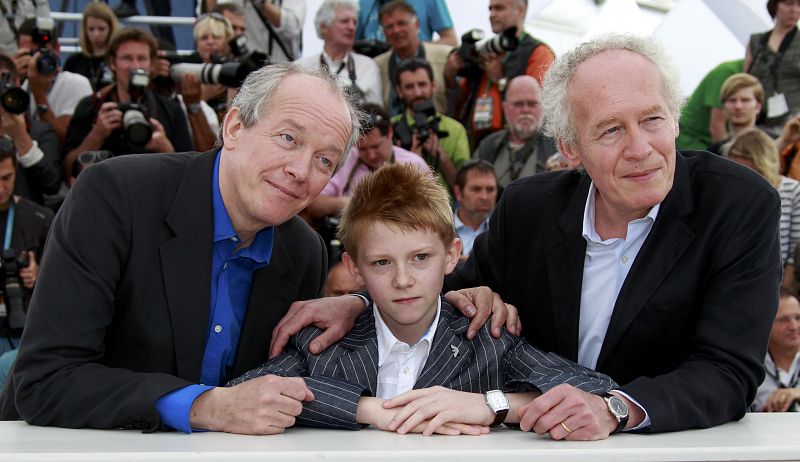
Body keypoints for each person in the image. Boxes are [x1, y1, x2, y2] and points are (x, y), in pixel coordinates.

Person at [275, 33, 784, 436]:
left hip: (672, 449)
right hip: (531, 447)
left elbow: (727, 371)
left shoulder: (737, 205)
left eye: (652, 120)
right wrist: (362, 305)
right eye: (610, 130)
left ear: (674, 121)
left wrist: (615, 408)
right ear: (571, 147)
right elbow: (442, 287)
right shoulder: (529, 208)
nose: (640, 149)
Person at [0, 62, 364, 434]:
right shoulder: (115, 196)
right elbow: (46, 380)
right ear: (235, 127)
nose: (301, 170)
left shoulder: (305, 252)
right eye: (289, 138)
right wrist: (206, 406)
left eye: (324, 160)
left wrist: (360, 304)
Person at [229, 162, 618, 438]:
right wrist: (367, 409)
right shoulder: (322, 345)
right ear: (355, 268)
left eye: (420, 258)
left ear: (451, 255)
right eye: (382, 263)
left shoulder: (487, 339)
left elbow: (596, 387)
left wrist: (491, 405)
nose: (403, 280)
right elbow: (240, 394)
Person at [62, 28, 192, 180]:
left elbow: (189, 175)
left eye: (142, 58)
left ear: (151, 65)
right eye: (127, 58)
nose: (135, 66)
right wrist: (97, 135)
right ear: (112, 63)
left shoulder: (171, 110)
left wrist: (166, 149)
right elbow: (67, 171)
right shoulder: (91, 106)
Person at [444, 0, 555, 146]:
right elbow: (460, 104)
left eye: (499, 8)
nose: (492, 14)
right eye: (490, 9)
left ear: (520, 11)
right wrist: (449, 77)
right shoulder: (483, 51)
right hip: (477, 144)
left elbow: (541, 105)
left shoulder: (539, 52)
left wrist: (500, 80)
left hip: (517, 145)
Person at [304, 102, 428, 222]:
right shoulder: (346, 160)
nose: (370, 155)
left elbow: (431, 213)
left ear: (390, 132)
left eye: (376, 146)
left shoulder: (414, 164)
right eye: (362, 149)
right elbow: (313, 204)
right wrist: (344, 203)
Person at [0, 141, 54, 392]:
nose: (0, 188)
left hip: (24, 326)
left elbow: (62, 278)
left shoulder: (39, 217)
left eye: (6, 178)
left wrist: (39, 274)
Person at [725, 128, 800, 288]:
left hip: (781, 285)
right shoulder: (726, 195)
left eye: (751, 172)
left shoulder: (793, 191)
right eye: (735, 170)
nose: (743, 179)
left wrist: (783, 294)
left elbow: (795, 254)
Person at [391, 58, 469, 189]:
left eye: (422, 85)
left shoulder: (455, 130)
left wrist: (442, 157)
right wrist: (409, 160)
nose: (417, 92)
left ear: (433, 85)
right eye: (409, 87)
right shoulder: (389, 129)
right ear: (399, 91)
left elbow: (465, 188)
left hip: (445, 207)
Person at [14, 18, 93, 146]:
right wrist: (12, 79)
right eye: (30, 54)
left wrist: (38, 92)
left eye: (41, 54)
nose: (35, 60)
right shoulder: (17, 86)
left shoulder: (76, 84)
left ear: (57, 49)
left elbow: (63, 142)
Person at [472, 75, 557, 193]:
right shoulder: (488, 146)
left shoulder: (558, 147)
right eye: (518, 104)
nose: (526, 110)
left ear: (542, 107)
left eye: (532, 104)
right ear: (505, 108)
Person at [0, 54, 62, 206]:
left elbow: (51, 184)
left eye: (3, 81)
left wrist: (21, 138)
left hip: (25, 222)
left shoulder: (40, 131)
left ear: (17, 83)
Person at [373, 0, 452, 115]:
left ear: (417, 24)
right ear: (383, 32)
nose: (396, 30)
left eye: (401, 23)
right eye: (389, 26)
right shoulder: (377, 66)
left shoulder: (445, 58)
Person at [298, 0, 383, 106]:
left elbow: (377, 115)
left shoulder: (368, 66)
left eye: (354, 22)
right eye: (345, 21)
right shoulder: (301, 68)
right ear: (324, 27)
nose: (352, 27)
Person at [746, 0, 800, 137]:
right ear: (775, 5)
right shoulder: (757, 41)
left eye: (799, 5)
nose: (794, 9)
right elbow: (745, 83)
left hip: (793, 125)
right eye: (789, 3)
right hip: (759, 122)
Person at [204, 0, 306, 63]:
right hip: (244, 65)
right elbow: (215, 20)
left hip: (279, 68)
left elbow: (292, 27)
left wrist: (262, 3)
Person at [676, 59, 744, 151]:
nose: (738, 106)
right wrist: (728, 160)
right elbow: (716, 126)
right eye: (732, 100)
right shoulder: (726, 72)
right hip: (692, 140)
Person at [753, 287, 800, 412]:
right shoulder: (752, 364)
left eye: (798, 318)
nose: (794, 326)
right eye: (784, 320)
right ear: (766, 323)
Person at [63, 2, 118, 91]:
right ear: (85, 30)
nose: (96, 34)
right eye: (91, 29)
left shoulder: (117, 60)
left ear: (110, 29)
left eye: (101, 29)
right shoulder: (74, 61)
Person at [355, 0, 457, 46]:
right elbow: (348, 46)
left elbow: (451, 41)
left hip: (417, 72)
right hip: (377, 72)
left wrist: (412, 48)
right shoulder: (363, 4)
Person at [707, 73, 764, 155]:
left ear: (758, 107)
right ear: (724, 106)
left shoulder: (767, 148)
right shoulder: (713, 153)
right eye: (732, 100)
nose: (738, 106)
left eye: (745, 100)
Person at [452, 159, 497, 258]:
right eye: (476, 189)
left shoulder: (502, 233)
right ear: (458, 192)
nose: (484, 197)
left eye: (490, 190)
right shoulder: (438, 229)